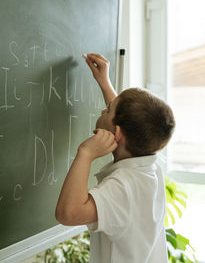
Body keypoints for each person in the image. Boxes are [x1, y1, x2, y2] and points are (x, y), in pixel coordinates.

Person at [55, 53, 175, 263]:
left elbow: (69, 213)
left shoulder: (123, 187)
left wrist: (85, 153)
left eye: (108, 110)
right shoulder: (148, 166)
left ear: (117, 133)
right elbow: (127, 123)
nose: (103, 109)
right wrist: (104, 83)